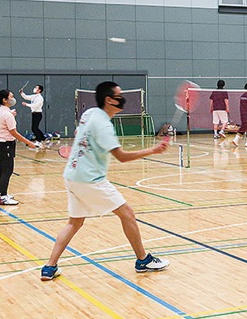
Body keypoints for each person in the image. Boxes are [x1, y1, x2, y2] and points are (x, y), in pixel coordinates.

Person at [40, 82, 171, 281]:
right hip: (90, 179)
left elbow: (79, 134)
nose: (122, 99)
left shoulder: (89, 113)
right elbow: (122, 156)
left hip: (72, 175)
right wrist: (153, 150)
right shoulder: (103, 125)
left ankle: (49, 267)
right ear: (109, 99)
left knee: (74, 222)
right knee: (127, 213)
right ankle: (143, 260)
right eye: (118, 95)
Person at [0, 89, 38, 205]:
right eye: (11, 97)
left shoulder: (1, 111)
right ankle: (4, 197)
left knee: (0, 170)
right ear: (5, 100)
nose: (13, 99)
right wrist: (29, 143)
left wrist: (11, 114)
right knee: (7, 171)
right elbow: (14, 133)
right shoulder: (7, 114)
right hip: (5, 144)